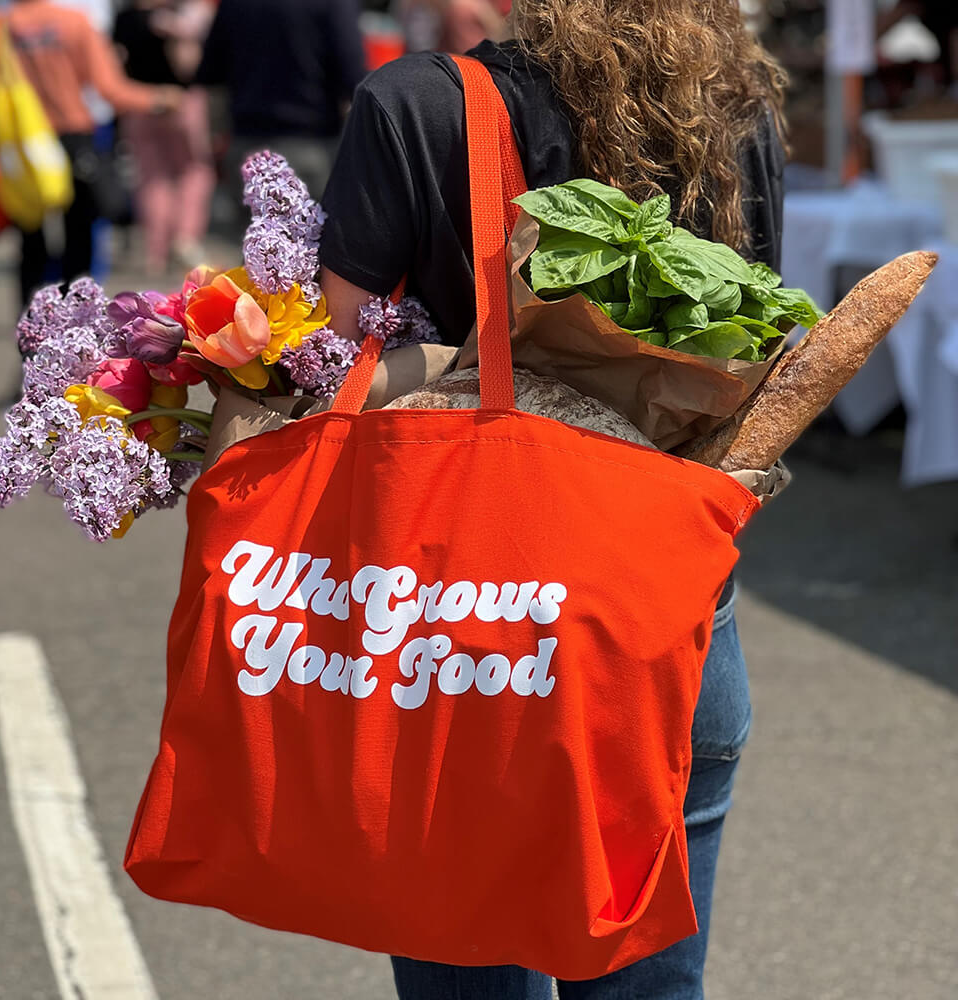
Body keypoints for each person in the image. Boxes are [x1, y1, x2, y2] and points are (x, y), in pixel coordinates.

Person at [318, 0, 786, 997]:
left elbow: (333, 364)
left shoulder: (416, 104)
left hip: (465, 631)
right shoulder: (732, 104)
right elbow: (751, 363)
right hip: (666, 619)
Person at [0, 0, 181, 305]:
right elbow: (109, 88)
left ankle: (32, 331)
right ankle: (77, 331)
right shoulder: (75, 22)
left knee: (31, 242)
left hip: (23, 144)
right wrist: (159, 98)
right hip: (73, 140)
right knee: (79, 240)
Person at [195, 0, 367, 204]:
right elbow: (353, 76)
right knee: (314, 232)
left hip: (248, 143)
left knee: (256, 233)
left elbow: (210, 71)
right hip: (311, 143)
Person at [114, 0, 215, 275]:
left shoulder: (125, 19)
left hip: (140, 104)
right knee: (195, 171)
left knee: (151, 179)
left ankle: (155, 254)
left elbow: (117, 63)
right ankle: (185, 237)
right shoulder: (178, 15)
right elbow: (194, 66)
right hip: (183, 102)